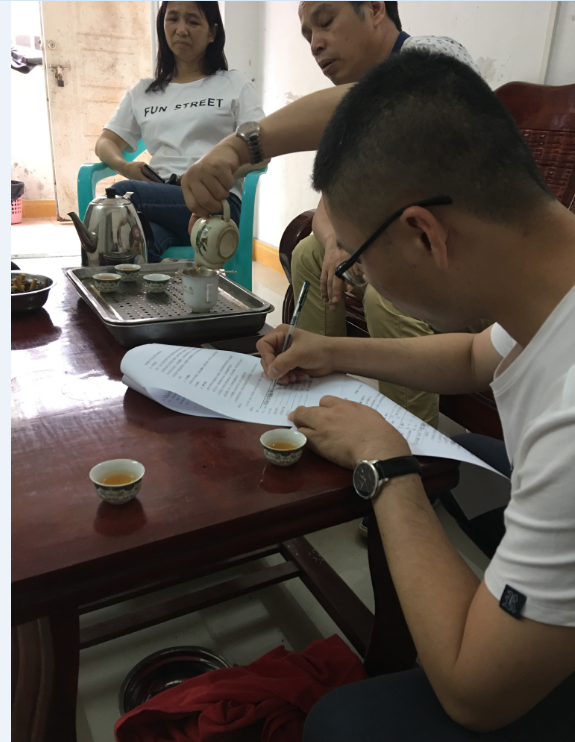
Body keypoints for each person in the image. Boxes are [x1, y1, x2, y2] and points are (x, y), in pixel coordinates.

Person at [182, 49, 575, 737]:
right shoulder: (548, 279)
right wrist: (330, 349)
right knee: (462, 469)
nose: (357, 279)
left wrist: (387, 465)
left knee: (342, 722)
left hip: (490, 686)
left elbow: (475, 696)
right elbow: (474, 355)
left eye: (356, 259)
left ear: (423, 233)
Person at [292, 1, 483, 429]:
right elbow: (329, 203)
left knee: (391, 292)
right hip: (402, 251)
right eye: (308, 35)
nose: (316, 44)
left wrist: (249, 143)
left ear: (376, 9)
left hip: (462, 262)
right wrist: (334, 244)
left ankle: (412, 448)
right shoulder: (354, 104)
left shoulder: (432, 56)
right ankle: (321, 407)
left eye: (325, 22)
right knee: (310, 254)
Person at [95, 1, 264, 262]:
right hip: (159, 199)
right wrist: (126, 167)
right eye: (172, 19)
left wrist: (215, 174)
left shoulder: (234, 85)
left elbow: (261, 150)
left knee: (121, 197)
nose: (181, 29)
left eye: (193, 21)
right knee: (135, 244)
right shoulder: (143, 91)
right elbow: (105, 142)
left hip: (216, 201)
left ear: (212, 32)